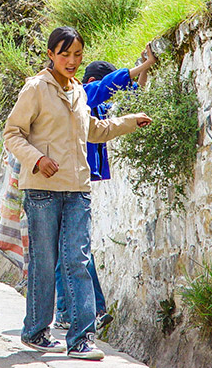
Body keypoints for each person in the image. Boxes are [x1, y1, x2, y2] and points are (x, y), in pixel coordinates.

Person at [4, 26, 152, 360]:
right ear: (50, 55)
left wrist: (129, 121)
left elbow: (95, 131)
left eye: (77, 55)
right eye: (65, 54)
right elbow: (13, 133)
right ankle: (36, 331)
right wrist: (37, 159)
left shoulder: (79, 92)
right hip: (42, 189)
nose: (71, 61)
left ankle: (82, 338)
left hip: (78, 189)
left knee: (78, 260)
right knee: (45, 261)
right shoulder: (36, 89)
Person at [53, 46, 157, 331]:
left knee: (69, 249)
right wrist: (143, 64)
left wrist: (144, 69)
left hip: (77, 181)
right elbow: (108, 87)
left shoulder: (93, 108)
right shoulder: (83, 95)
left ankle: (70, 311)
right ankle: (83, 310)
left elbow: (130, 102)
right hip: (62, 180)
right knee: (72, 249)